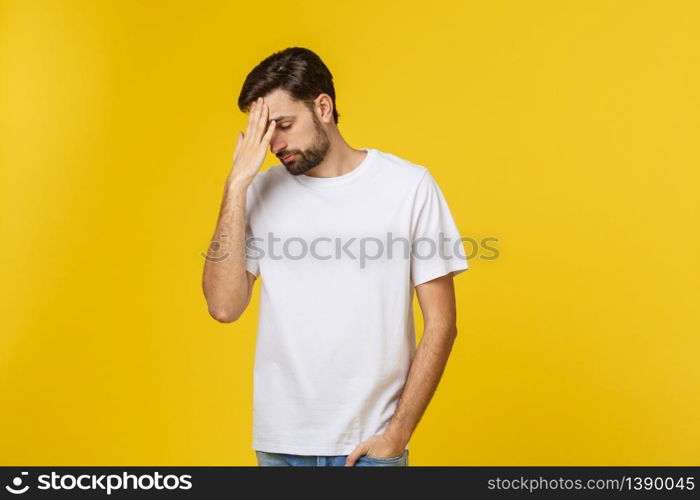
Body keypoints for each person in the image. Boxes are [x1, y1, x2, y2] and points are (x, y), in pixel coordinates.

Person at [202, 47, 469, 467]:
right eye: (264, 132)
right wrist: (236, 185)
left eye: (284, 125)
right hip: (282, 447)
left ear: (322, 106)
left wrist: (396, 434)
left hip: (370, 449)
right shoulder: (258, 191)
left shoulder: (408, 186)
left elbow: (442, 324)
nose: (274, 144)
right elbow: (223, 306)